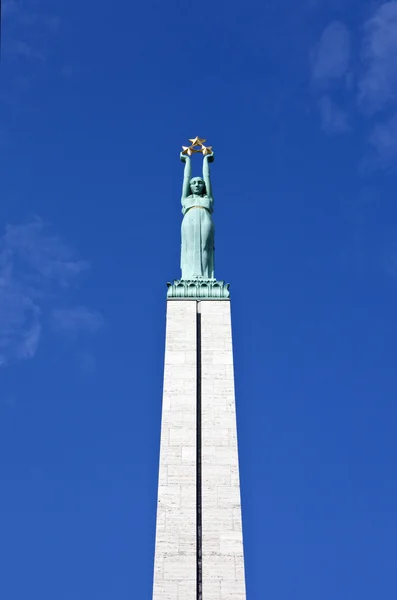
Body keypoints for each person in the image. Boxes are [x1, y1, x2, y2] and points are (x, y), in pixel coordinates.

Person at [180, 152, 215, 279]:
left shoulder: (208, 199)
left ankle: (204, 276)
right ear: (190, 186)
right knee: (190, 246)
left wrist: (206, 160)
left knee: (204, 246)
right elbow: (186, 177)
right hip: (189, 219)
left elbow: (207, 177)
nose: (196, 185)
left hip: (205, 219)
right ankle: (189, 275)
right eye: (193, 183)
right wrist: (187, 161)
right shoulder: (185, 199)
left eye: (200, 183)